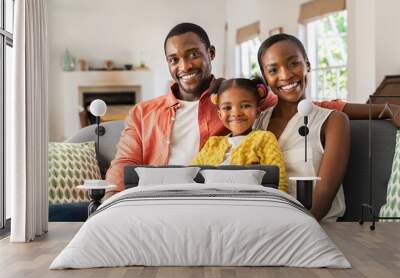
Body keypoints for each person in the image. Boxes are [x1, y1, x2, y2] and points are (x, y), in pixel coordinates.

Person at [105, 22, 399, 200]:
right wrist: (110, 200)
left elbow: (302, 103)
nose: (184, 66)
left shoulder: (236, 102)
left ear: (211, 54)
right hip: (152, 199)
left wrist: (384, 108)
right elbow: (125, 162)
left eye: (193, 54)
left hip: (208, 198)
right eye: (174, 59)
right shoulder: (143, 113)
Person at [254, 33, 351, 221]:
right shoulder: (257, 122)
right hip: (264, 226)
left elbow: (322, 199)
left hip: (317, 229)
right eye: (273, 70)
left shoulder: (334, 122)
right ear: (265, 78)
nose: (286, 75)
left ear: (307, 64)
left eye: (293, 63)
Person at [191, 78, 288, 192]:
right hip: (210, 203)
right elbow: (190, 175)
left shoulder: (264, 138)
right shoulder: (212, 143)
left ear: (257, 111)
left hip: (249, 204)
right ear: (220, 114)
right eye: (227, 107)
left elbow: (279, 181)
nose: (236, 113)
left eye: (245, 105)